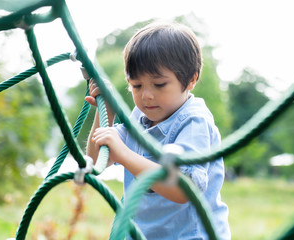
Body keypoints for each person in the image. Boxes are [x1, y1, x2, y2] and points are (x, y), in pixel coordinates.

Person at [85, 21, 230, 240]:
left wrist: (124, 155)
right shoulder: (140, 117)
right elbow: (97, 160)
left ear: (191, 80)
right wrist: (107, 114)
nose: (146, 96)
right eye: (136, 85)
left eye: (159, 84)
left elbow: (183, 190)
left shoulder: (194, 122)